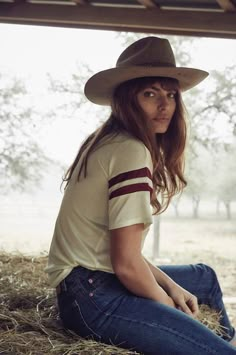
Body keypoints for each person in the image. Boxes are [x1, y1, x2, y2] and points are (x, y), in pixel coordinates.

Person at [46, 37, 236, 354]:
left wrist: (173, 286)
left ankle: (221, 340)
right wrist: (169, 307)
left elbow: (124, 250)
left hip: (91, 283)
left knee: (204, 278)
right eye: (150, 94)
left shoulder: (109, 140)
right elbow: (127, 266)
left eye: (171, 94)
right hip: (93, 296)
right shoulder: (130, 150)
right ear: (126, 99)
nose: (165, 106)